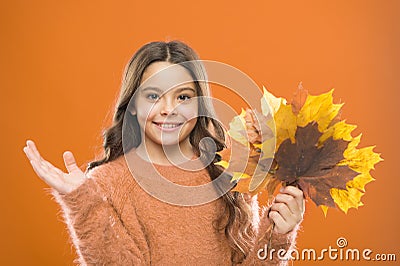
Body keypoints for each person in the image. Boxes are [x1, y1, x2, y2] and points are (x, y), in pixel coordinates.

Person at [23, 41, 304, 265]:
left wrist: (278, 234)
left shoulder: (230, 176)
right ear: (132, 105)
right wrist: (83, 203)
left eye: (182, 97)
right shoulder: (106, 184)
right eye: (154, 95)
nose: (169, 109)